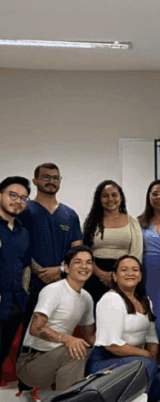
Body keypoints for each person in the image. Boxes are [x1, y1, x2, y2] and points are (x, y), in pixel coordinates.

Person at [86, 255, 160, 401]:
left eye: (135, 270)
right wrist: (147, 355)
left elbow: (151, 336)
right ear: (114, 276)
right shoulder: (111, 299)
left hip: (133, 358)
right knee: (146, 365)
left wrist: (153, 354)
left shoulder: (145, 301)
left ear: (140, 276)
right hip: (105, 360)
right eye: (124, 270)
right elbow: (112, 346)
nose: (130, 273)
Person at [16, 246, 96, 392]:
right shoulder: (53, 290)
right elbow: (36, 328)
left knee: (96, 355)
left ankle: (50, 395)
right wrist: (66, 338)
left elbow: (90, 337)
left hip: (58, 357)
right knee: (76, 351)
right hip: (31, 361)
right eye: (78, 262)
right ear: (66, 267)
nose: (84, 266)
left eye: (89, 262)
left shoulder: (86, 298)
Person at [19, 163, 83, 338]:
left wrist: (61, 270)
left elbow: (78, 251)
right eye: (46, 177)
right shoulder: (24, 210)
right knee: (26, 336)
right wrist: (39, 271)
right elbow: (16, 245)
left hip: (62, 285)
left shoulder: (70, 215)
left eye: (55, 178)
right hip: (30, 286)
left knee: (60, 335)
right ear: (35, 180)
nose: (51, 181)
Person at [82, 180, 143, 306]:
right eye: (105, 195)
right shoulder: (91, 222)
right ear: (99, 199)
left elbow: (136, 252)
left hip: (125, 276)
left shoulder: (132, 221)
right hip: (95, 276)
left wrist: (122, 275)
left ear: (121, 197)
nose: (110, 199)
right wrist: (100, 274)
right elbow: (85, 252)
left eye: (114, 195)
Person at [137, 180, 160, 353]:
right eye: (155, 194)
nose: (159, 197)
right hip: (147, 279)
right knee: (151, 326)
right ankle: (153, 369)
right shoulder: (138, 222)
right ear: (149, 197)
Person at [0, 176, 32, 371]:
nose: (18, 201)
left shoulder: (23, 232)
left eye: (23, 198)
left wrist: (25, 292)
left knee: (2, 351)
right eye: (13, 195)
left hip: (15, 304)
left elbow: (25, 267)